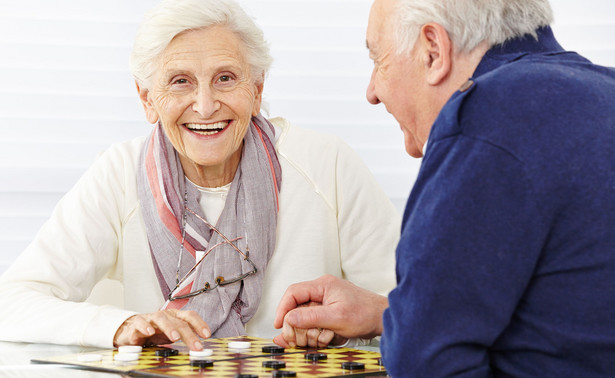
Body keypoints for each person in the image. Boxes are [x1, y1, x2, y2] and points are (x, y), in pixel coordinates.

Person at [0, 0, 399, 351]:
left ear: (257, 90)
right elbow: (13, 301)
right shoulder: (118, 173)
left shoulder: (326, 164)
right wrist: (119, 325)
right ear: (147, 99)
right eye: (180, 82)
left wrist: (345, 331)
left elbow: (410, 307)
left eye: (226, 78)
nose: (205, 106)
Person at [273, 0, 615, 376]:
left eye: (379, 60)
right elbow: (563, 322)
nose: (372, 91)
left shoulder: (486, 118)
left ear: (433, 51)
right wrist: (387, 315)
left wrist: (412, 332)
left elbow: (424, 362)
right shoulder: (601, 90)